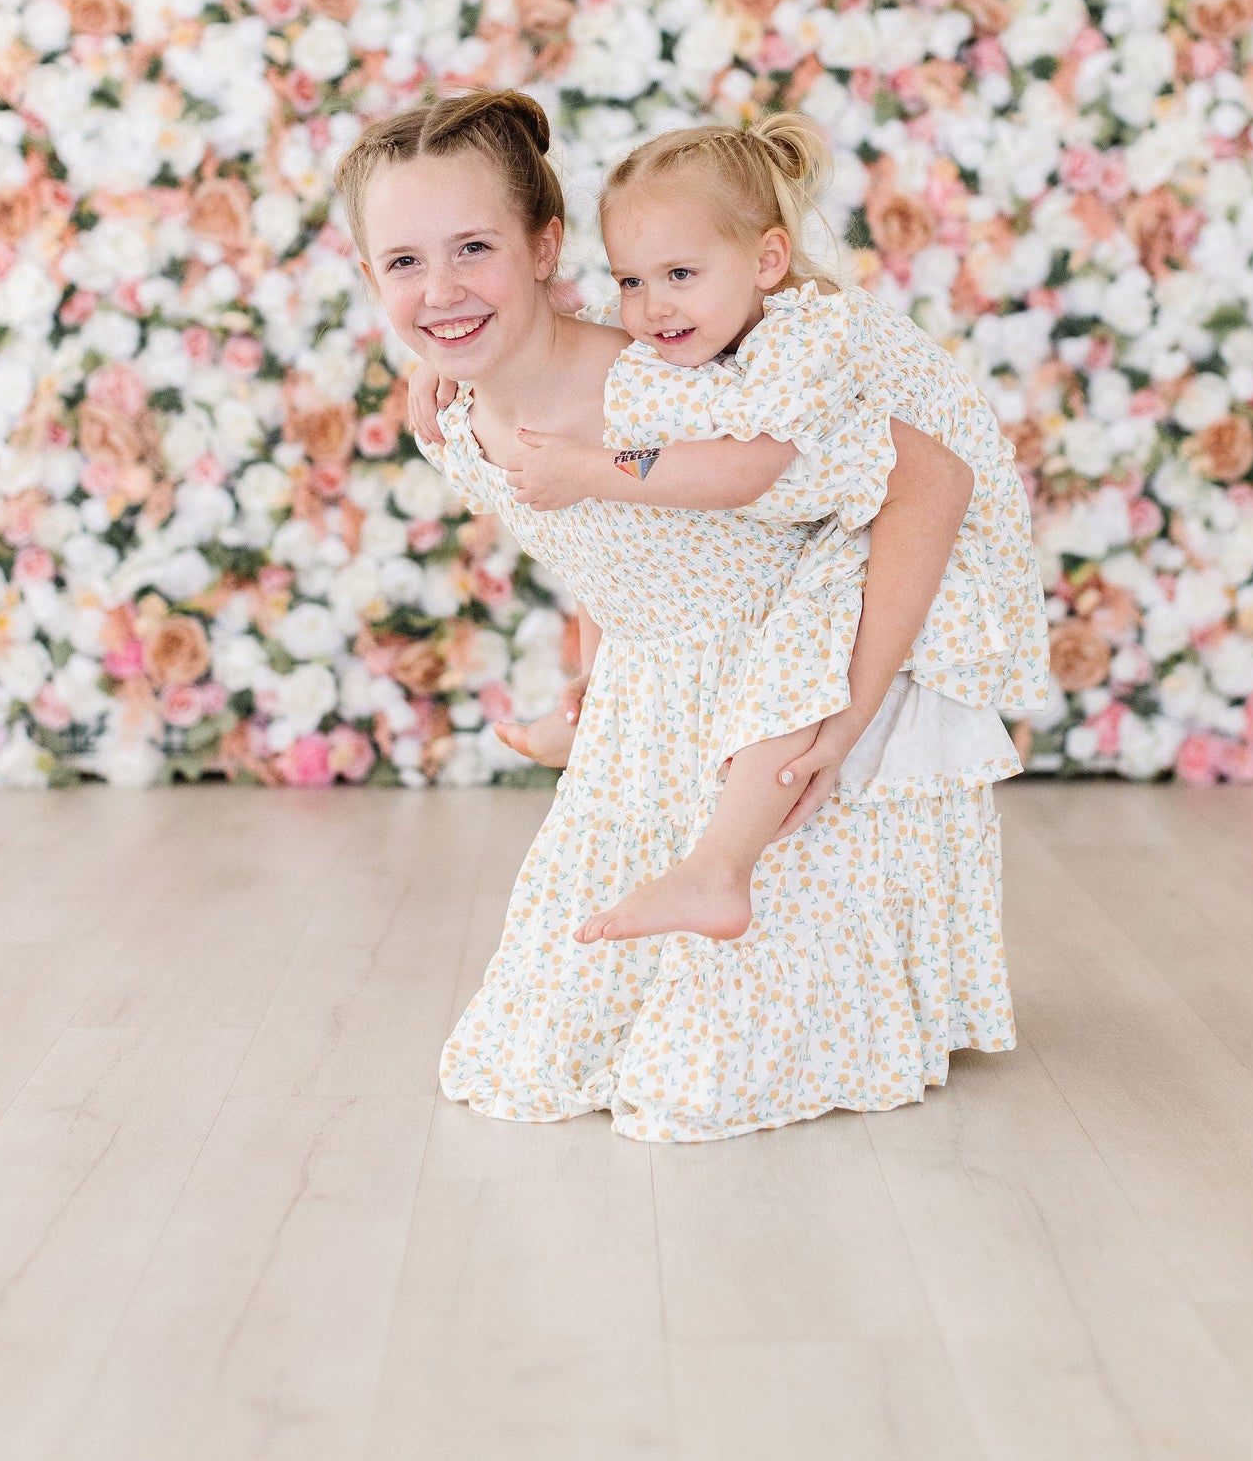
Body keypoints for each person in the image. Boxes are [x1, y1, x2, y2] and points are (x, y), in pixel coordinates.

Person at [339, 87, 1013, 1141]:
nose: (441, 289)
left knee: (699, 1067)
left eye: (473, 247)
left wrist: (845, 715)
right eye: (405, 262)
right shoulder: (455, 413)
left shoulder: (672, 385)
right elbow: (604, 552)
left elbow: (926, 477)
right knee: (536, 1045)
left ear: (545, 247)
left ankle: (743, 879)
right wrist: (594, 669)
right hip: (653, 717)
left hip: (787, 695)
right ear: (370, 276)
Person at [410, 113, 1048, 947]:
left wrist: (588, 468)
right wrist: (442, 355)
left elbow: (749, 469)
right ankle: (597, 706)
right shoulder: (700, 322)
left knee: (798, 634)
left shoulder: (794, 346)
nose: (650, 306)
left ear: (767, 262)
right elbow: (627, 501)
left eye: (677, 273)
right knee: (662, 545)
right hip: (846, 501)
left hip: (927, 527)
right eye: (631, 280)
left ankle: (720, 869)